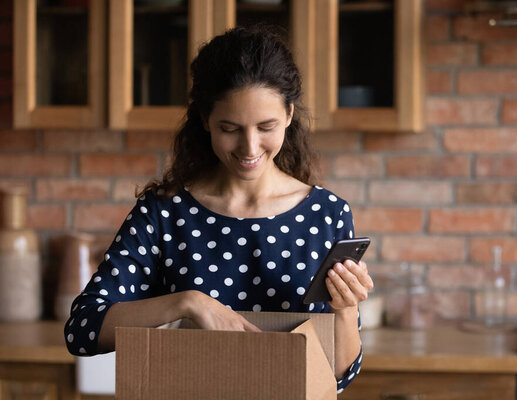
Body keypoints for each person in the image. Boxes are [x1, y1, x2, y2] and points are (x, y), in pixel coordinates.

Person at [64, 26, 373, 393]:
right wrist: (187, 303)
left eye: (266, 126)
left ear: (289, 115)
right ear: (205, 120)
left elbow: (339, 374)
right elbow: (83, 328)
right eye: (230, 128)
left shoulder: (327, 214)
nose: (249, 146)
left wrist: (345, 308)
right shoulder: (164, 213)